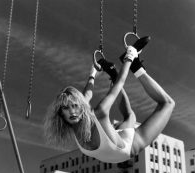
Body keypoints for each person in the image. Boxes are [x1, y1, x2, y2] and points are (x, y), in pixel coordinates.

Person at [44, 37, 175, 163]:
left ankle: (131, 68)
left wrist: (94, 72)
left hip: (123, 143)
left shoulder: (98, 112)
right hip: (122, 144)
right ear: (60, 113)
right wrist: (128, 57)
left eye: (75, 106)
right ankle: (120, 70)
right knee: (131, 116)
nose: (72, 111)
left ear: (81, 106)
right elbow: (96, 92)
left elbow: (115, 85)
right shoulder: (86, 114)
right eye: (66, 108)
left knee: (167, 104)